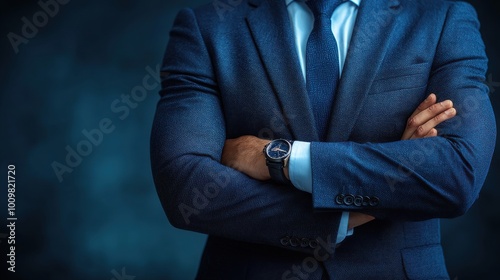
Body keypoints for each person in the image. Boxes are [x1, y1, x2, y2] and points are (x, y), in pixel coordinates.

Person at [150, 0, 496, 278]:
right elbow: (184, 185)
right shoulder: (208, 26)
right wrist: (355, 209)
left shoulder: (443, 17)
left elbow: (458, 173)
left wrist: (279, 158)